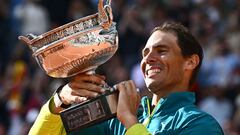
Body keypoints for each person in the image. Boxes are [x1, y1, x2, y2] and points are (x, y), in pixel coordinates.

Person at [29, 22, 224, 135]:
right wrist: (59, 102)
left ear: (190, 62)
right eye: (145, 53)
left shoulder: (201, 125)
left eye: (162, 50)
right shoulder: (113, 123)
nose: (148, 59)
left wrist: (130, 121)